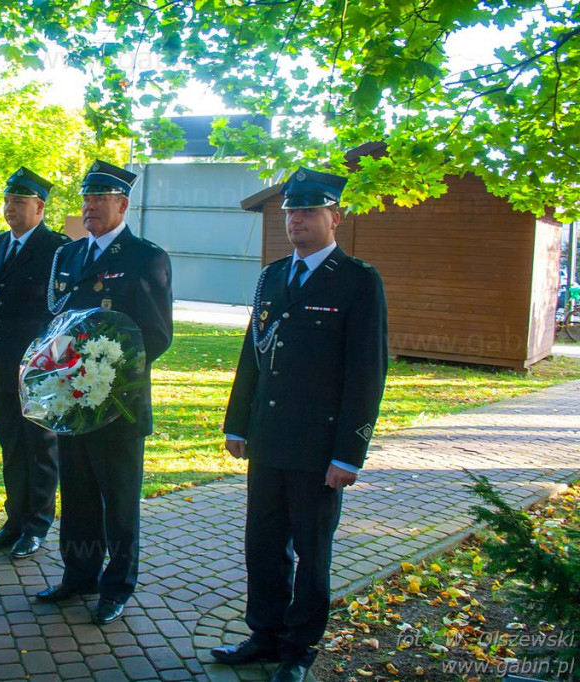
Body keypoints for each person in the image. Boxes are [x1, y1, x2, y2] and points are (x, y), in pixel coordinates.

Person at [212, 167, 388, 682]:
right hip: (267, 439)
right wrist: (237, 423)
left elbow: (366, 374)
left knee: (311, 553)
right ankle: (263, 635)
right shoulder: (272, 276)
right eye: (291, 210)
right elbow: (253, 354)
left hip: (318, 447)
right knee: (262, 545)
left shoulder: (358, 280)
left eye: (309, 211)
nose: (297, 220)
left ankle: (299, 649)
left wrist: (348, 454)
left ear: (335, 217)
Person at [34, 160, 173, 625]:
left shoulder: (145, 256)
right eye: (86, 198)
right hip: (69, 400)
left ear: (122, 204)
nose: (89, 206)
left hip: (118, 404)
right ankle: (79, 574)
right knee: (76, 496)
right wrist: (59, 370)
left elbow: (156, 334)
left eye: (99, 198)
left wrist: (104, 375)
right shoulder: (70, 256)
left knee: (118, 499)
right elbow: (54, 323)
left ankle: (117, 586)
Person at [0, 167, 70, 560]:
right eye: (7, 200)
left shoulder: (58, 249)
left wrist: (53, 362)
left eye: (19, 201)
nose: (10, 208)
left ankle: (37, 524)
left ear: (40, 207)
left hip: (38, 366)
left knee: (40, 447)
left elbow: (62, 311)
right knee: (11, 446)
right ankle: (14, 519)